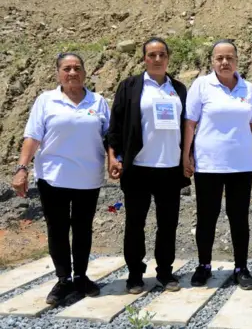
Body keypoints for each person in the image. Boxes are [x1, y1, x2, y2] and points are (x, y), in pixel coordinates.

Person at [11, 53, 110, 305]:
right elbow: (32, 137)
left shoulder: (97, 102)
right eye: (67, 68)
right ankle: (63, 279)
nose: (73, 72)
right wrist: (22, 168)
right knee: (57, 229)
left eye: (77, 68)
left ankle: (81, 277)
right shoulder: (46, 100)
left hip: (88, 178)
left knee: (82, 229)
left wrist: (115, 160)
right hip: (53, 178)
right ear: (58, 73)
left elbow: (109, 136)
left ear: (85, 72)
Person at [107, 37, 190, 294]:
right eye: (151, 54)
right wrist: (113, 156)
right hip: (138, 168)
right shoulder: (130, 86)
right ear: (144, 58)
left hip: (169, 168)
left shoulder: (178, 88)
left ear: (168, 58)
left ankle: (165, 271)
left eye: (161, 54)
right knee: (135, 222)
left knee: (168, 223)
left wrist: (188, 158)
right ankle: (134, 273)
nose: (157, 59)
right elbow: (116, 126)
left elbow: (189, 125)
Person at [183, 40, 252, 290]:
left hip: (240, 165)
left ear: (237, 60)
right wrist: (186, 155)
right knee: (207, 217)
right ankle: (203, 265)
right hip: (208, 164)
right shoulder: (202, 85)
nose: (225, 62)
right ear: (212, 61)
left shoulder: (247, 88)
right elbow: (190, 123)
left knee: (239, 218)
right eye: (219, 58)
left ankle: (241, 267)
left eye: (229, 58)